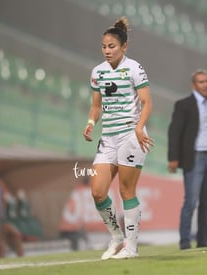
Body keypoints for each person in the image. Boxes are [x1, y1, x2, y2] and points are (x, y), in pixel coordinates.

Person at [82, 16, 154, 259]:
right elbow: (96, 106)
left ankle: (131, 249)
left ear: (124, 46)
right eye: (103, 46)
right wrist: (91, 123)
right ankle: (116, 238)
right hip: (108, 138)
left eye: (111, 46)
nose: (106, 51)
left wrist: (139, 127)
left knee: (126, 191)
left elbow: (147, 103)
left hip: (131, 135)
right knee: (98, 192)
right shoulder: (97, 73)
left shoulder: (134, 68)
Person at [167, 69, 207, 250]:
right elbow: (175, 132)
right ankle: (185, 241)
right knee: (191, 201)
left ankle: (202, 240)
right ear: (194, 85)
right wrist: (173, 158)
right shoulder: (184, 104)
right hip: (194, 157)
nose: (206, 84)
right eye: (201, 82)